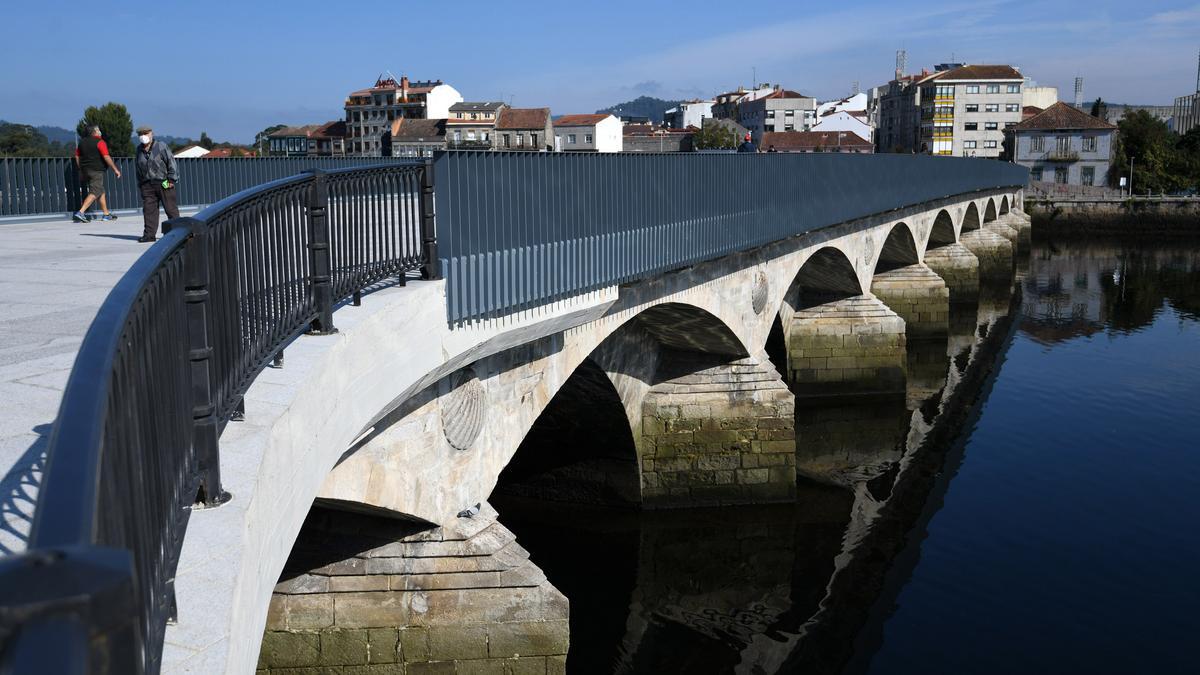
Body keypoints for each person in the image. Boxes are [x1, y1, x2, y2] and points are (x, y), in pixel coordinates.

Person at [134, 125, 180, 243]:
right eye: (141, 134)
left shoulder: (161, 146)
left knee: (171, 209)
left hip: (164, 182)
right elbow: (138, 167)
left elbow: (171, 162)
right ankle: (149, 235)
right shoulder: (139, 150)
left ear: (151, 134)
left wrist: (171, 179)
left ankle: (177, 233)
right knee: (149, 210)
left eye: (146, 133)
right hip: (147, 184)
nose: (143, 136)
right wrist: (141, 184)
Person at [72, 126, 121, 223]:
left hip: (86, 170)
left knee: (100, 191)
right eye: (98, 130)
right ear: (94, 132)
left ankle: (106, 214)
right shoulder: (100, 142)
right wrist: (115, 169)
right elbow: (106, 157)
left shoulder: (82, 142)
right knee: (95, 191)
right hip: (96, 170)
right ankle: (80, 212)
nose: (100, 132)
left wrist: (80, 170)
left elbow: (77, 157)